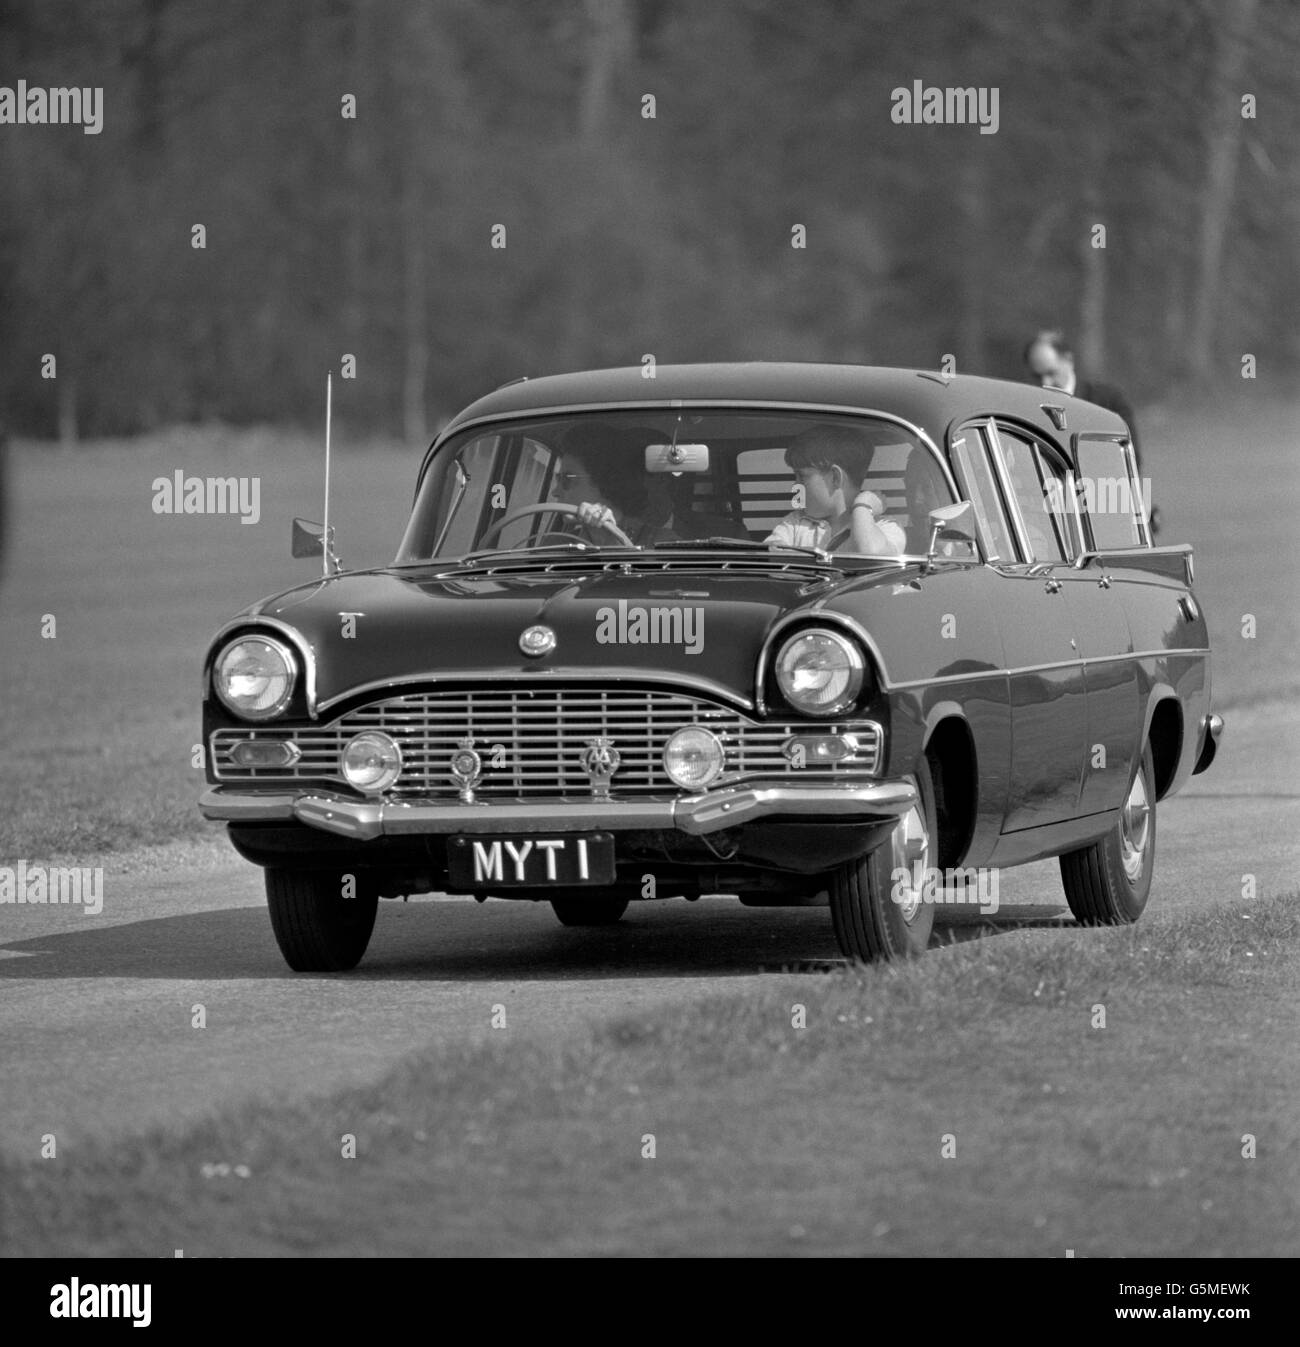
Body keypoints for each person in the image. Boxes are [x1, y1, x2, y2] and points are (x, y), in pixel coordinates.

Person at [1023, 328, 1159, 535]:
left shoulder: (1108, 401)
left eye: (1051, 373)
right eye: (1038, 376)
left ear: (1068, 360)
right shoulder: (1030, 410)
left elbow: (1129, 460)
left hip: (1106, 509)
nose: (1045, 383)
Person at [766, 425, 905, 556]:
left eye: (802, 476)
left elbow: (873, 555)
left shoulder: (885, 527)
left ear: (835, 478)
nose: (795, 485)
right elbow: (771, 558)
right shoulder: (794, 524)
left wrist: (863, 507)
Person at [551, 422, 676, 546]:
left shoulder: (663, 544)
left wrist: (609, 539)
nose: (555, 492)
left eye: (566, 479)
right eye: (558, 478)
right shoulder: (557, 543)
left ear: (604, 482)